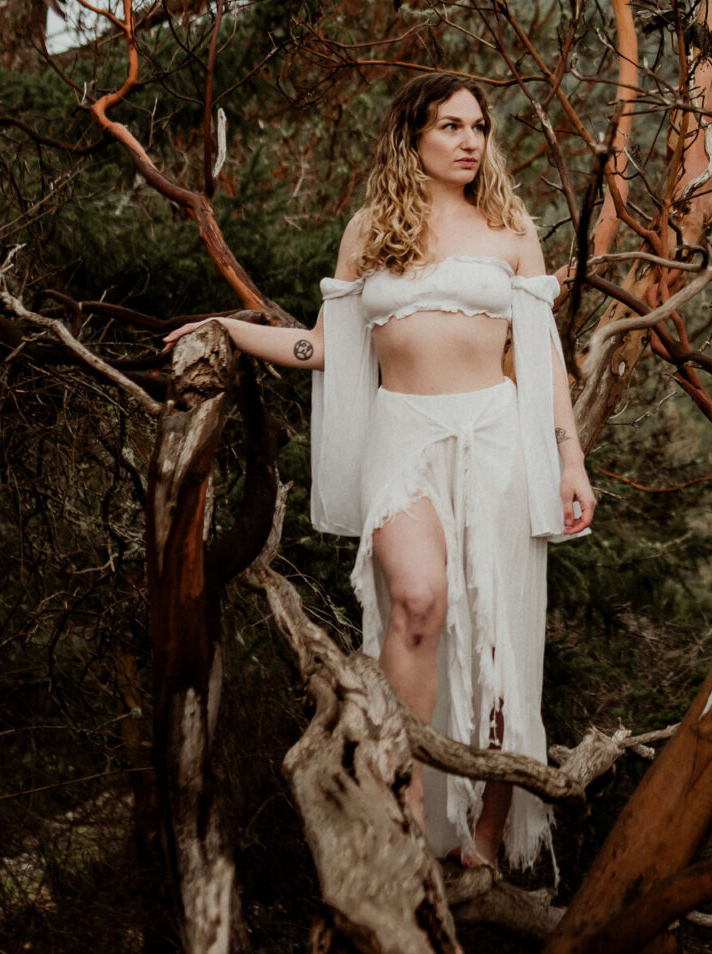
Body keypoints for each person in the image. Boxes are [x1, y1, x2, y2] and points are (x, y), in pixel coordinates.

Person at [167, 76, 595, 869]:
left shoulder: (510, 229)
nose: (470, 141)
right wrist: (233, 326)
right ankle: (402, 813)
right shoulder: (372, 229)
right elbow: (325, 348)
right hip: (405, 436)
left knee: (501, 634)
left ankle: (486, 838)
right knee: (418, 602)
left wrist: (568, 457)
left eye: (479, 127)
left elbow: (542, 361)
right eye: (450, 126)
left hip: (496, 437)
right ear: (413, 136)